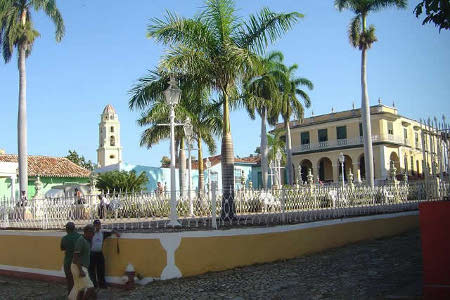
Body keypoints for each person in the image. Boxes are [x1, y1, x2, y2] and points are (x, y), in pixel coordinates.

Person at [89, 219, 120, 289]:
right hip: (92, 254)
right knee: (92, 270)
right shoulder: (90, 233)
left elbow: (111, 232)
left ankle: (102, 285)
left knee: (101, 270)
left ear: (100, 226)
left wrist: (116, 232)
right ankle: (93, 285)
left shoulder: (102, 233)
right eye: (96, 225)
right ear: (93, 226)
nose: (97, 226)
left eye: (98, 225)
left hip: (99, 253)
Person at [69, 224, 95, 300]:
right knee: (90, 288)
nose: (93, 234)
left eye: (93, 233)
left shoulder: (87, 240)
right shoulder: (81, 240)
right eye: (91, 232)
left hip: (82, 267)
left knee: (81, 289)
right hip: (78, 267)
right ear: (85, 232)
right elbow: (76, 257)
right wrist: (80, 270)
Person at [60, 222, 81, 295]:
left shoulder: (64, 238)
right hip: (79, 262)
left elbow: (62, 248)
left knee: (69, 280)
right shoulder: (80, 237)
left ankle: (71, 295)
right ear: (74, 228)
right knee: (79, 280)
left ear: (67, 229)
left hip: (68, 261)